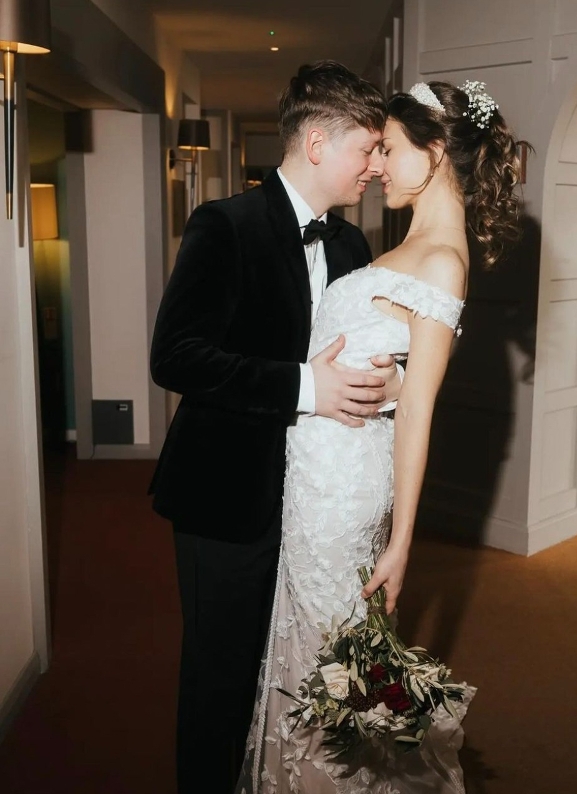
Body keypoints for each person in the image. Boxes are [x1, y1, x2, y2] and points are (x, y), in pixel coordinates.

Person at [237, 79, 525, 793]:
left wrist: (401, 543)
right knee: (316, 652)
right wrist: (390, 385)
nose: (377, 165)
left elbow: (421, 408)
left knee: (326, 659)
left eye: (390, 149)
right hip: (321, 475)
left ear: (436, 152)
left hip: (341, 496)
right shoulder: (416, 244)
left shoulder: (442, 259)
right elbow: (403, 379)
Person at [149, 62, 403, 794]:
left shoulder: (352, 246)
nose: (376, 165)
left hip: (316, 501)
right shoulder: (224, 225)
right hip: (226, 494)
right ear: (318, 142)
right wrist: (305, 386)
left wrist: (385, 384)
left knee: (295, 671)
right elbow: (176, 356)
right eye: (368, 147)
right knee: (220, 676)